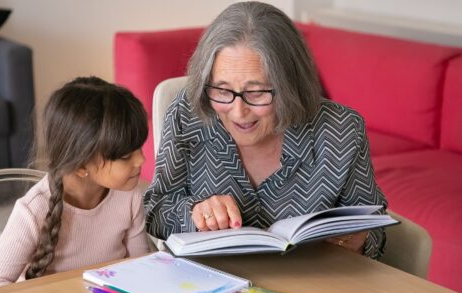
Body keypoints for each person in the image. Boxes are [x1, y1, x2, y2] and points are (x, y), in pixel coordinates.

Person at [144, 1, 387, 259]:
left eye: (257, 93)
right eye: (222, 90)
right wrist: (195, 212)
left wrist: (357, 240)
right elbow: (155, 209)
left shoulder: (341, 130)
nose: (238, 111)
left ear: (290, 85)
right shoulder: (188, 114)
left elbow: (375, 226)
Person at [0, 76, 149, 291]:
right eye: (125, 156)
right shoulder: (33, 210)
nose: (141, 160)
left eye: (139, 147)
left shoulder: (129, 195)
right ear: (81, 165)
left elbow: (142, 270)